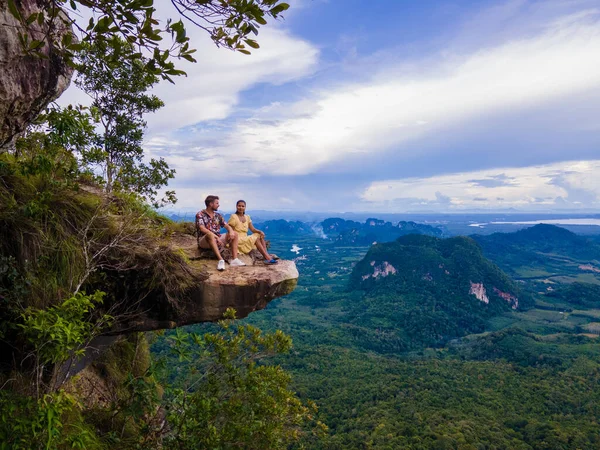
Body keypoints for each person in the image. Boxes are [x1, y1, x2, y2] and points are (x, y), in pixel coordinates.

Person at [196, 195, 246, 271]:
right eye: (217, 203)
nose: (218, 205)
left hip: (217, 238)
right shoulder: (200, 214)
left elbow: (226, 225)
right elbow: (202, 228)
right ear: (210, 204)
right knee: (209, 235)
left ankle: (234, 259)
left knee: (235, 234)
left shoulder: (217, 216)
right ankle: (220, 260)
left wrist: (231, 231)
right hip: (205, 240)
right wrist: (216, 237)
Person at [228, 200, 277, 264]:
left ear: (245, 207)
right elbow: (229, 229)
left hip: (244, 238)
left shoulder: (247, 217)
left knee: (259, 235)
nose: (241, 207)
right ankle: (268, 258)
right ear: (236, 206)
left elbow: (252, 229)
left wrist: (260, 231)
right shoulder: (233, 217)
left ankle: (266, 255)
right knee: (254, 238)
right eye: (239, 206)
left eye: (243, 206)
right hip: (238, 239)